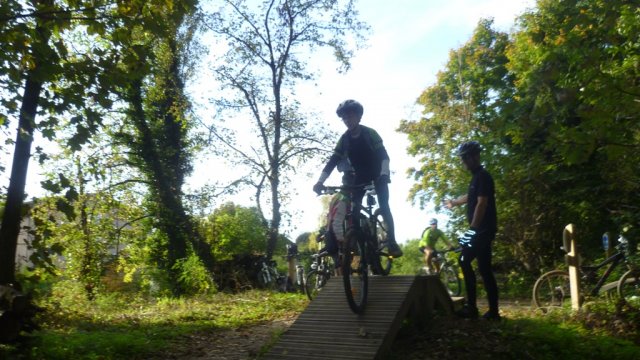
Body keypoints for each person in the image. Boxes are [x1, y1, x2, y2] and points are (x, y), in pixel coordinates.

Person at [313, 99, 403, 258]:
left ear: (359, 117)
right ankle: (356, 241)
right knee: (354, 210)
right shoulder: (344, 139)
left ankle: (392, 242)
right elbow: (333, 161)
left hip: (378, 174)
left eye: (351, 117)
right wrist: (320, 181)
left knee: (384, 205)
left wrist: (384, 175)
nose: (348, 120)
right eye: (345, 118)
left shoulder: (370, 133)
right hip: (360, 177)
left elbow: (384, 156)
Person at [445, 141, 500, 320]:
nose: (463, 162)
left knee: (464, 260)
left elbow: (482, 203)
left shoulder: (483, 176)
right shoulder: (477, 177)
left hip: (482, 230)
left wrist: (472, 230)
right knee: (484, 269)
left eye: (464, 158)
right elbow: (470, 197)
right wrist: (454, 202)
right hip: (483, 230)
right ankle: (493, 312)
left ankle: (472, 308)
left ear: (473, 157)